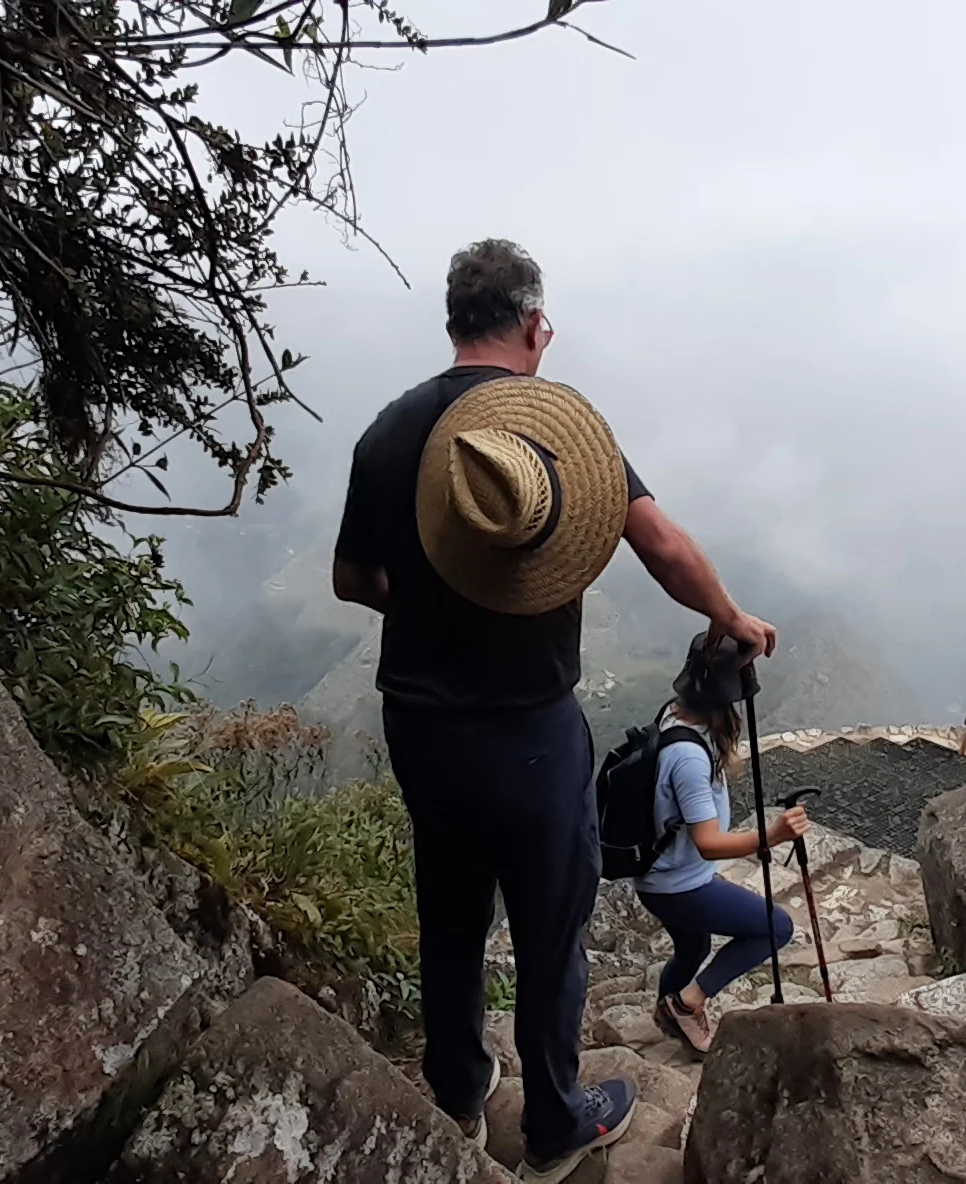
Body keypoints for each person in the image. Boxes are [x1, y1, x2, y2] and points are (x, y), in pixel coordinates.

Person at [331, 239, 778, 1181]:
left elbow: (350, 578)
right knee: (549, 926)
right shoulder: (554, 429)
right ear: (537, 328)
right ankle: (555, 1121)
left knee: (449, 911)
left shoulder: (387, 434)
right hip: (530, 731)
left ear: (454, 323)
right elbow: (658, 545)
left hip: (420, 723)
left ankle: (455, 1092)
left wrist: (427, 601)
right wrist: (728, 615)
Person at [636, 635, 811, 1055]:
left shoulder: (672, 714)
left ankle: (669, 1014)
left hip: (656, 876)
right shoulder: (690, 758)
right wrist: (773, 836)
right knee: (775, 927)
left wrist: (744, 650)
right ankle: (686, 1003)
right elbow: (708, 844)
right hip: (679, 885)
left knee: (693, 946)